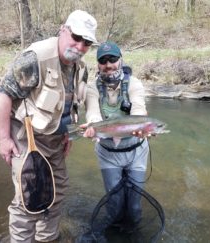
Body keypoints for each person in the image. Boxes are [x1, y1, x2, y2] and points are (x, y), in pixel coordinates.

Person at [0, 10, 97, 243]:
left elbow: (69, 103)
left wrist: (66, 134)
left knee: (57, 192)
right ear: (63, 30)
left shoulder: (80, 67)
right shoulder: (35, 57)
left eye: (87, 42)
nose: (80, 46)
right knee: (27, 200)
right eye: (76, 37)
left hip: (56, 140)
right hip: (26, 136)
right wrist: (3, 139)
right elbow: (2, 95)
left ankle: (47, 238)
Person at [78, 42, 149, 242]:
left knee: (134, 205)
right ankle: (115, 232)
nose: (108, 64)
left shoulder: (134, 83)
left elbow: (139, 110)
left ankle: (132, 231)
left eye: (112, 59)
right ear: (98, 64)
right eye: (103, 61)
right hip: (108, 152)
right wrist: (93, 127)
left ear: (120, 60)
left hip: (137, 152)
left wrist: (141, 125)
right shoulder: (92, 88)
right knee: (114, 202)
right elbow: (92, 113)